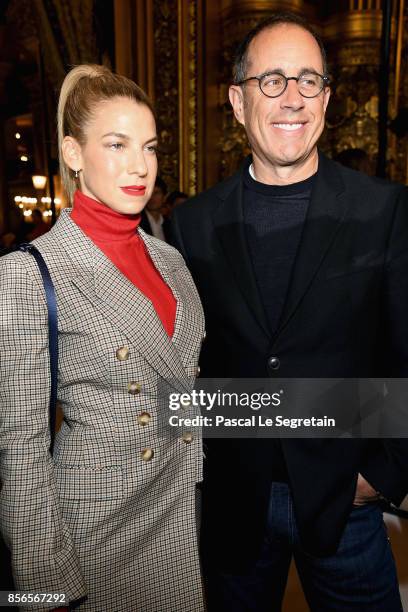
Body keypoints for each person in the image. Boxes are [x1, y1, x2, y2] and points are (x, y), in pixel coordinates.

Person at [170, 12, 408, 612]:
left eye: (308, 80)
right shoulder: (191, 224)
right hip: (233, 505)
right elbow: (183, 367)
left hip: (345, 505)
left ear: (327, 98)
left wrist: (381, 471)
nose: (292, 97)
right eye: (271, 80)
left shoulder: (384, 210)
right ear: (236, 100)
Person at [0, 64, 205, 612]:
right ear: (72, 154)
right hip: (94, 533)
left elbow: (181, 393)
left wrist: (342, 414)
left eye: (150, 147)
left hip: (182, 508)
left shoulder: (170, 260)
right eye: (116, 145)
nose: (141, 167)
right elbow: (18, 451)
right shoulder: (28, 272)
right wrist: (49, 590)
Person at [140, 175, 168, 240]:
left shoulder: (169, 224)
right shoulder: (138, 223)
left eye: (156, 193)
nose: (152, 197)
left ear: (164, 197)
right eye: (149, 193)